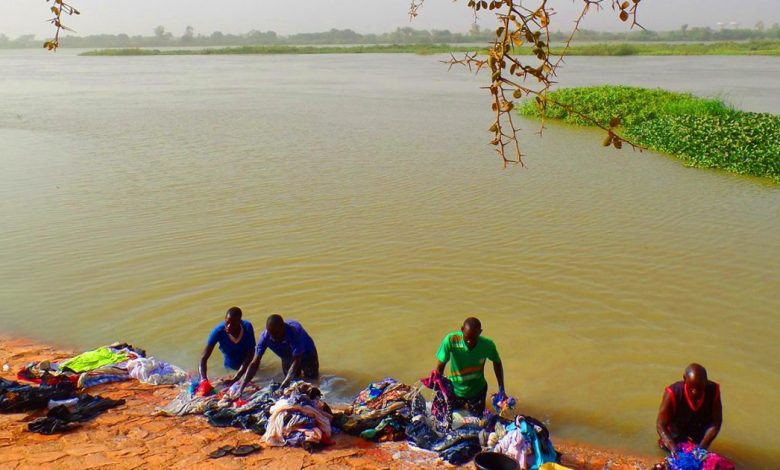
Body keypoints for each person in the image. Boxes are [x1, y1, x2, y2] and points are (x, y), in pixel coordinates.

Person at [435, 317, 505, 415]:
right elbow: (440, 366)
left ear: (480, 332)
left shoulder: (487, 345)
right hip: (455, 390)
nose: (470, 342)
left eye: (473, 339)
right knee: (453, 418)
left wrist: (501, 389)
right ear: (462, 330)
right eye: (467, 339)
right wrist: (439, 386)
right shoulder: (451, 340)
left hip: (477, 390)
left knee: (477, 420)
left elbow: (497, 363)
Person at [237, 314, 319, 394]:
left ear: (283, 328)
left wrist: (283, 385)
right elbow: (255, 363)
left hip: (307, 355)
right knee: (292, 385)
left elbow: (297, 360)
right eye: (270, 334)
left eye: (276, 334)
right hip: (286, 357)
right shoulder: (265, 337)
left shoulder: (295, 331)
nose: (273, 337)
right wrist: (241, 388)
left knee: (312, 381)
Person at [656, 363, 722, 454]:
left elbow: (716, 422)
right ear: (684, 379)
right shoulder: (673, 393)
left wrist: (702, 447)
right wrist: (673, 448)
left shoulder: (713, 391)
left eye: (700, 389)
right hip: (674, 437)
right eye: (692, 389)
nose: (695, 393)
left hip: (698, 439)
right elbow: (660, 425)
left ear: (706, 382)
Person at [199, 307, 256, 386]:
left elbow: (251, 353)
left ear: (239, 322)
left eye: (233, 324)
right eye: (227, 322)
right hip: (230, 368)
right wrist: (203, 378)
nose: (228, 327)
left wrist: (237, 377)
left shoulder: (247, 328)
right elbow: (204, 357)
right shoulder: (218, 332)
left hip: (247, 366)